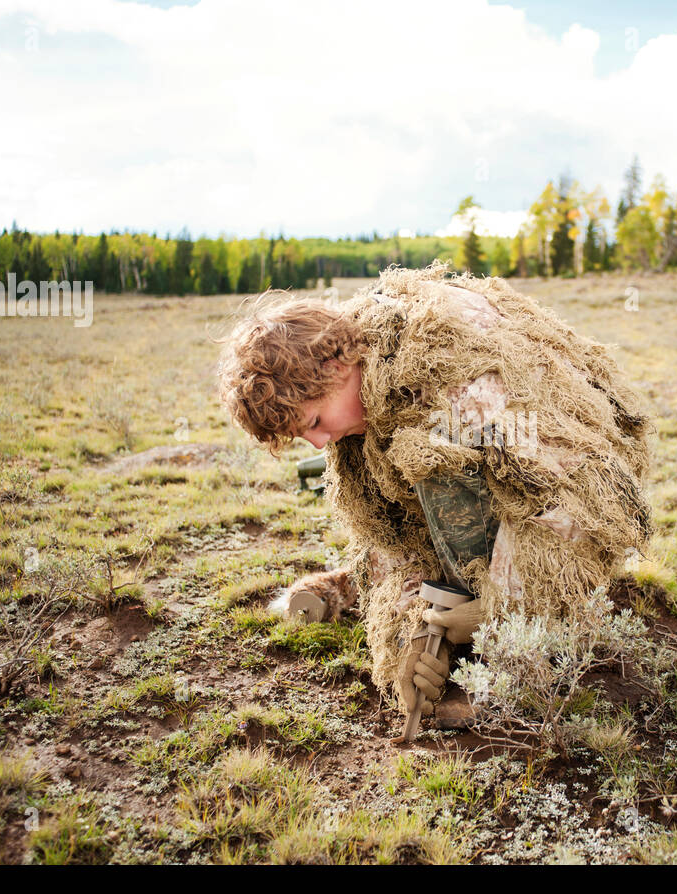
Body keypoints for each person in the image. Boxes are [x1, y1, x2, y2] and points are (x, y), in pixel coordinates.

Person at [216, 260, 652, 727]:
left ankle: (513, 649)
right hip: (496, 493)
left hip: (570, 499)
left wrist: (497, 608)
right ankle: (392, 593)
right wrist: (414, 634)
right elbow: (392, 536)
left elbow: (583, 507)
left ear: (334, 366)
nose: (321, 444)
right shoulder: (368, 391)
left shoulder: (460, 387)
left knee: (435, 460)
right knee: (416, 482)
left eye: (316, 423)